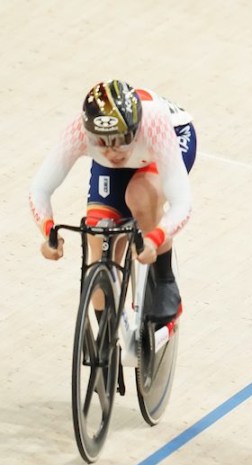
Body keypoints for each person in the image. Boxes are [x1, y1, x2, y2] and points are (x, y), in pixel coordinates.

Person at [30, 79, 196, 322]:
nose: (111, 151)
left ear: (133, 129)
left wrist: (155, 238)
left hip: (169, 139)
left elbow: (182, 203)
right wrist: (48, 232)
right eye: (101, 142)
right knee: (97, 237)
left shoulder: (155, 124)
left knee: (139, 197)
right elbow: (40, 188)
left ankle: (164, 280)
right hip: (127, 156)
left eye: (119, 140)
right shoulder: (79, 130)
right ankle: (106, 342)